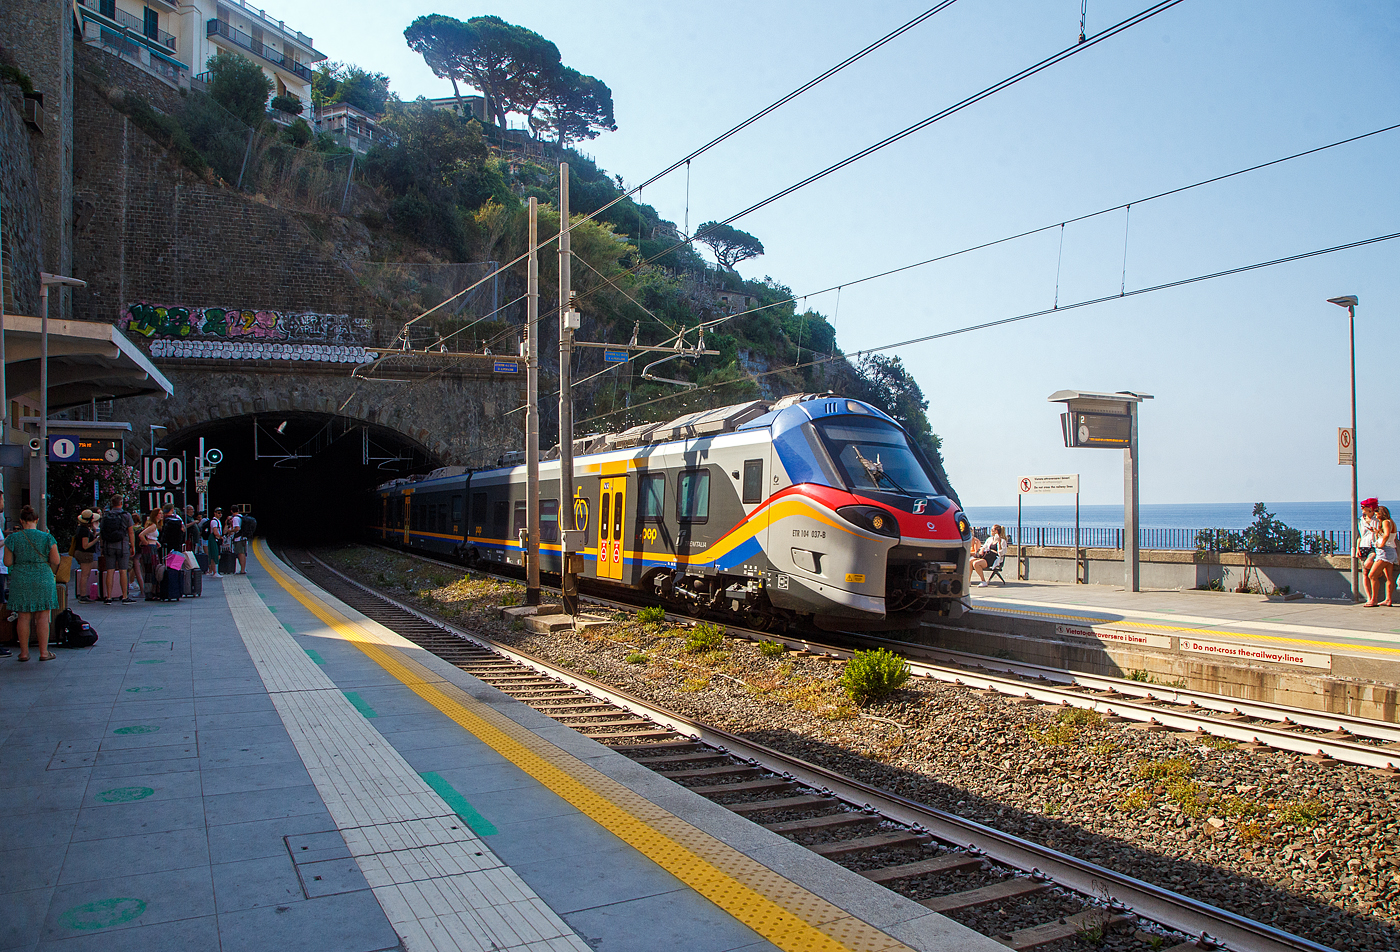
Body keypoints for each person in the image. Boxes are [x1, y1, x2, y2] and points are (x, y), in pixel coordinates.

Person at [5, 505, 60, 661]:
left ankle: (24, 653)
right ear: (36, 520)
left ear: (22, 521)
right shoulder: (47, 538)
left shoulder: (13, 538)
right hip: (43, 577)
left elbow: (7, 562)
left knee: (23, 617)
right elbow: (56, 560)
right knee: (43, 616)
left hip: (21, 578)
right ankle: (44, 653)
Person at [101, 494, 136, 605]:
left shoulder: (106, 515)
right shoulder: (126, 515)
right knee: (123, 571)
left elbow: (102, 532)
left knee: (110, 571)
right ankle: (125, 596)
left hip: (109, 546)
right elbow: (131, 532)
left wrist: (102, 546)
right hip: (123, 545)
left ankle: (109, 597)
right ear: (121, 503)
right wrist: (133, 546)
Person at [1364, 504, 1396, 608]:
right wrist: (1377, 532)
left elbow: (1386, 534)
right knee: (1389, 577)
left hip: (1385, 552)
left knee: (1372, 575)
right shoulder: (1391, 522)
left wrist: (1381, 544)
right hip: (1390, 550)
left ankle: (1374, 600)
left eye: (1377, 512)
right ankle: (1388, 599)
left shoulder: (1386, 522)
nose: (1376, 514)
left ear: (1381, 513)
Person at [1357, 498, 1380, 603]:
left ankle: (1374, 597)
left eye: (1363, 507)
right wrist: (1357, 548)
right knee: (1365, 573)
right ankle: (1369, 597)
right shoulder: (1360, 520)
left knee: (1369, 566)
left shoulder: (1377, 519)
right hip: (1363, 545)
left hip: (1375, 546)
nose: (1362, 509)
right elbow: (1360, 535)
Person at [73, 510, 99, 603]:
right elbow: (85, 545)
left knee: (84, 574)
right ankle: (83, 595)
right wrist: (96, 540)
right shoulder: (84, 531)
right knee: (85, 574)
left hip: (80, 552)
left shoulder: (81, 528)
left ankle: (83, 595)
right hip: (85, 554)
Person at [137, 510, 162, 600]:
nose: (161, 515)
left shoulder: (154, 525)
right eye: (160, 513)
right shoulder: (153, 525)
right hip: (150, 548)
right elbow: (141, 535)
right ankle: (150, 592)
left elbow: (149, 536)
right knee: (151, 570)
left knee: (152, 570)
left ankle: (151, 591)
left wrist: (156, 542)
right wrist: (146, 543)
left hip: (153, 546)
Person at [205, 508, 223, 578]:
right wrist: (220, 537)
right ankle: (215, 572)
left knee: (214, 554)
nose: (220, 514)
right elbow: (215, 531)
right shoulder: (214, 521)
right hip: (214, 539)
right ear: (215, 513)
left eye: (221, 513)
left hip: (214, 538)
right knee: (215, 554)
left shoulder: (217, 521)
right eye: (218, 513)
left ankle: (213, 571)